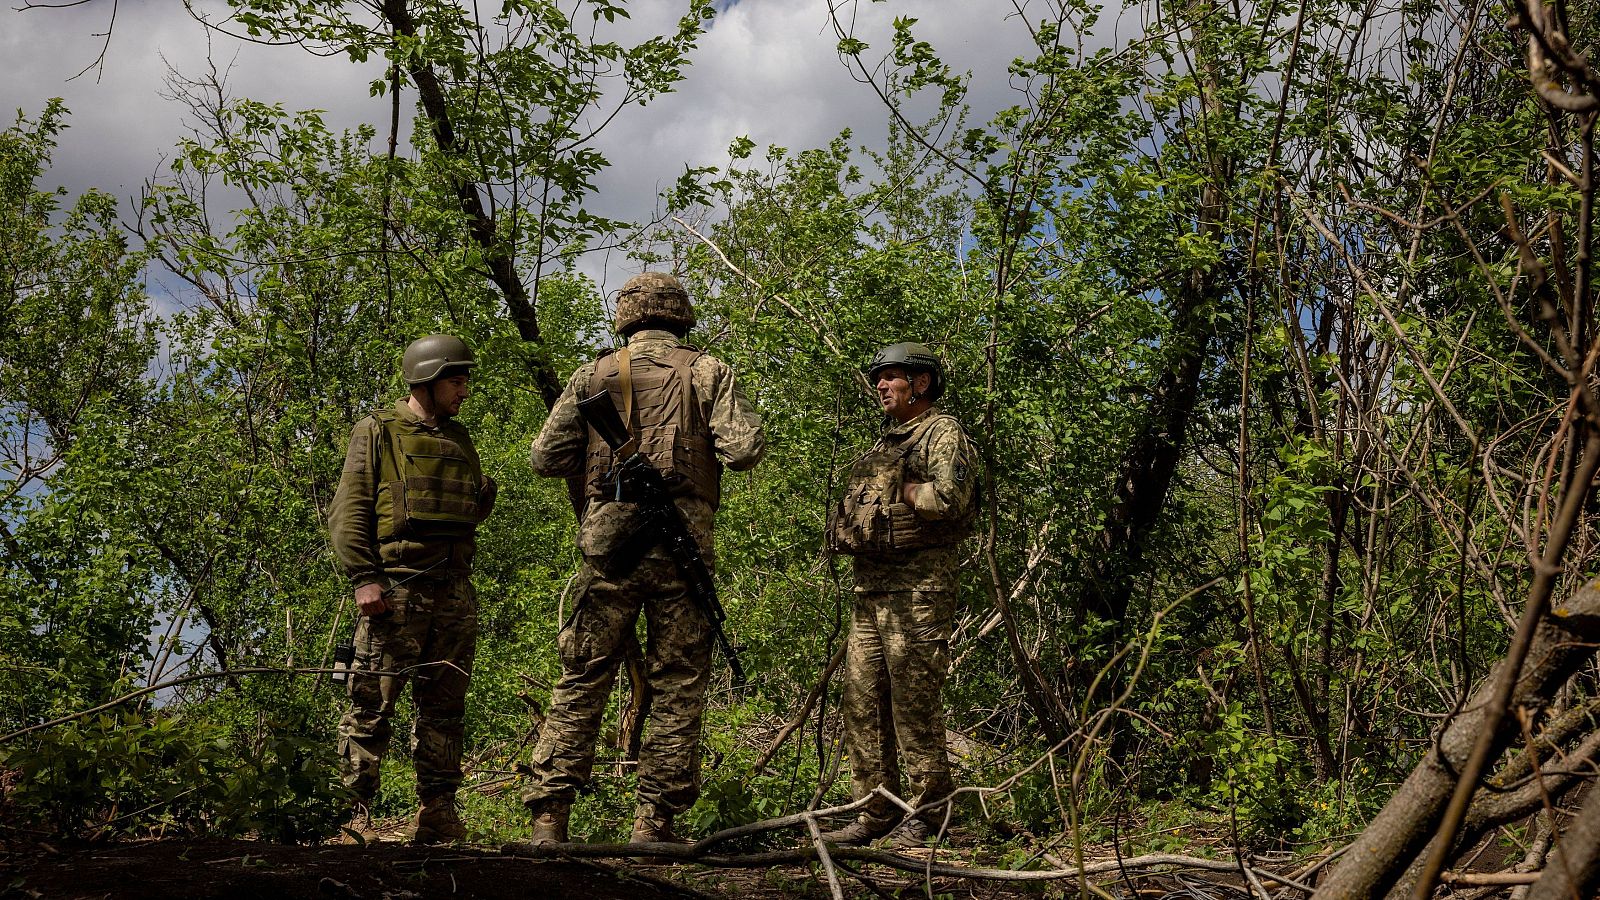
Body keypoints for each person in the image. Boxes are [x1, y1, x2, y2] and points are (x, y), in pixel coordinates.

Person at [521, 272, 765, 845]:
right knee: (678, 683)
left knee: (582, 675)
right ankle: (654, 822)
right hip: (683, 553)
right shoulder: (707, 371)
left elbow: (545, 456)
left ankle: (549, 818)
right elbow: (745, 449)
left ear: (627, 317)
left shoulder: (593, 374)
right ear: (681, 317)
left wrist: (603, 467)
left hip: (610, 550)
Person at [328, 334, 497, 845]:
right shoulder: (377, 431)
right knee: (370, 704)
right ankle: (349, 815)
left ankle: (438, 812)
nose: (464, 389)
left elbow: (467, 510)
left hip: (454, 592)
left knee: (445, 708)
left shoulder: (459, 437)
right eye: (457, 379)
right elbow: (349, 510)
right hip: (395, 591)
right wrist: (364, 578)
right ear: (427, 378)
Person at [823, 341, 976, 848]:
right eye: (879, 378)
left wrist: (910, 493)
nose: (881, 386)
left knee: (913, 704)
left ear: (922, 383)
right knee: (862, 703)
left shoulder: (942, 432)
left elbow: (951, 499)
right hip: (871, 588)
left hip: (919, 591)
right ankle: (877, 810)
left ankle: (931, 812)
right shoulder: (885, 444)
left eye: (891, 377)